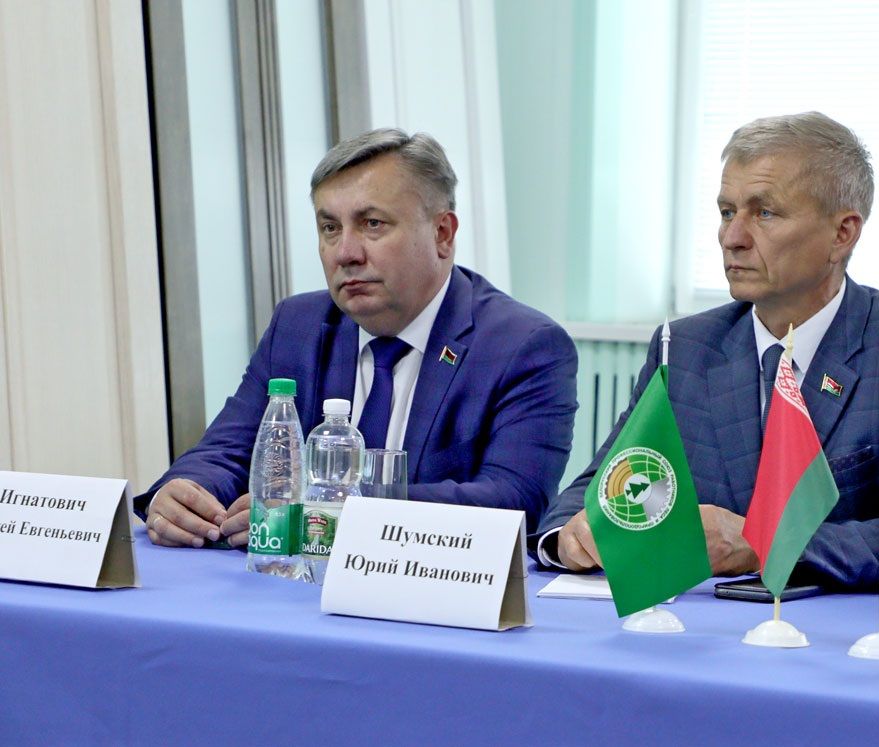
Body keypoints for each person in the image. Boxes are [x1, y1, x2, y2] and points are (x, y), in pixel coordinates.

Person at [532, 112, 879, 591]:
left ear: (842, 233)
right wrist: (570, 537)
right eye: (726, 212)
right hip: (698, 623)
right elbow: (599, 488)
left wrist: (760, 542)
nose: (732, 238)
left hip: (832, 626)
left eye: (764, 214)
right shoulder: (685, 348)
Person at [140, 128, 578, 548]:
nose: (346, 253)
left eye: (372, 224)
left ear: (442, 234)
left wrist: (331, 509)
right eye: (330, 228)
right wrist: (185, 492)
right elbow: (227, 450)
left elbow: (514, 500)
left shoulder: (524, 347)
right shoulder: (298, 325)